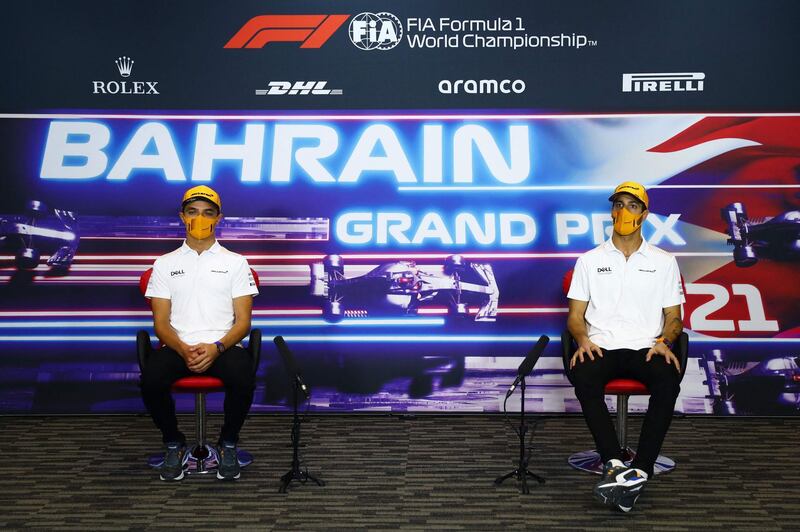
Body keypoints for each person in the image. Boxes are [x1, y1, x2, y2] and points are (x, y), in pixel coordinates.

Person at [566, 181, 684, 512]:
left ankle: (641, 469)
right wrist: (583, 339)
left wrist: (665, 342)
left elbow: (675, 318)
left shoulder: (664, 261)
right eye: (618, 204)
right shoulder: (589, 260)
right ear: (611, 211)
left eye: (632, 206)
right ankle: (615, 464)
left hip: (647, 347)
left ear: (644, 214)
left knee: (667, 381)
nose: (623, 211)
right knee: (584, 378)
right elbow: (575, 317)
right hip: (601, 345)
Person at [141, 185, 259, 481]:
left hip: (223, 345)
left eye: (208, 213)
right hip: (177, 346)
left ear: (219, 218)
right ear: (182, 216)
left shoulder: (235, 262)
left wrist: (216, 348)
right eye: (192, 212)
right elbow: (161, 324)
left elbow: (243, 323)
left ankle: (228, 443)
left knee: (243, 375)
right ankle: (174, 443)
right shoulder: (165, 264)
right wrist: (183, 349)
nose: (200, 219)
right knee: (151, 379)